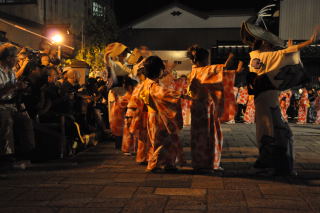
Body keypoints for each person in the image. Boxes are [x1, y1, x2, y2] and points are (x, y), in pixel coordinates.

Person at [241, 17, 319, 175]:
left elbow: (284, 53)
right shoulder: (267, 57)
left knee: (270, 129)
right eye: (271, 45)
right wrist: (309, 41)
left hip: (264, 98)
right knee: (274, 130)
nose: (273, 48)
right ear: (264, 43)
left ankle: (273, 164)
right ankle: (272, 165)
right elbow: (287, 53)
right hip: (268, 97)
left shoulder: (255, 57)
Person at [186, 45, 230, 172]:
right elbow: (221, 69)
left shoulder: (193, 72)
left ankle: (198, 162)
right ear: (203, 59)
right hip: (206, 108)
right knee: (210, 135)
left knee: (197, 135)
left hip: (195, 107)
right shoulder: (205, 70)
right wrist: (228, 61)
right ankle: (211, 163)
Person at [137, 56, 182, 172]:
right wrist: (181, 95)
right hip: (158, 117)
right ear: (158, 70)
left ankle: (168, 164)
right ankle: (153, 164)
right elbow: (165, 95)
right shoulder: (154, 86)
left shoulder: (147, 83)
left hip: (152, 115)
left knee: (158, 141)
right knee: (163, 141)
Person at [0, 43, 35, 161]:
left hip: (12, 104)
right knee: (7, 121)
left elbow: (14, 89)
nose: (17, 60)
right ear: (8, 58)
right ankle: (7, 155)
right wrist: (14, 86)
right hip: (1, 105)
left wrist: (22, 89)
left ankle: (27, 152)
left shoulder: (11, 72)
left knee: (26, 121)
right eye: (15, 57)